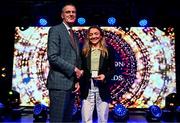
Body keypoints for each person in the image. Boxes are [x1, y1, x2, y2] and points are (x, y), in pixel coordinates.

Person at [47, 3, 83, 122]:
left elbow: (76, 58)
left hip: (71, 85)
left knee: (67, 120)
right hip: (59, 84)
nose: (71, 14)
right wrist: (74, 70)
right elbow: (53, 57)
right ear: (62, 15)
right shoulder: (55, 30)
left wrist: (77, 81)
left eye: (73, 12)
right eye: (68, 12)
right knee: (57, 120)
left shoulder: (75, 35)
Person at [80, 26, 115, 123]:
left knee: (103, 118)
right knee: (86, 117)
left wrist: (105, 76)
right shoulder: (83, 50)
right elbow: (80, 68)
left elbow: (113, 70)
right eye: (90, 34)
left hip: (102, 85)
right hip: (87, 85)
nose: (93, 36)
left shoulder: (109, 50)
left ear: (101, 36)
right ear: (88, 37)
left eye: (96, 34)